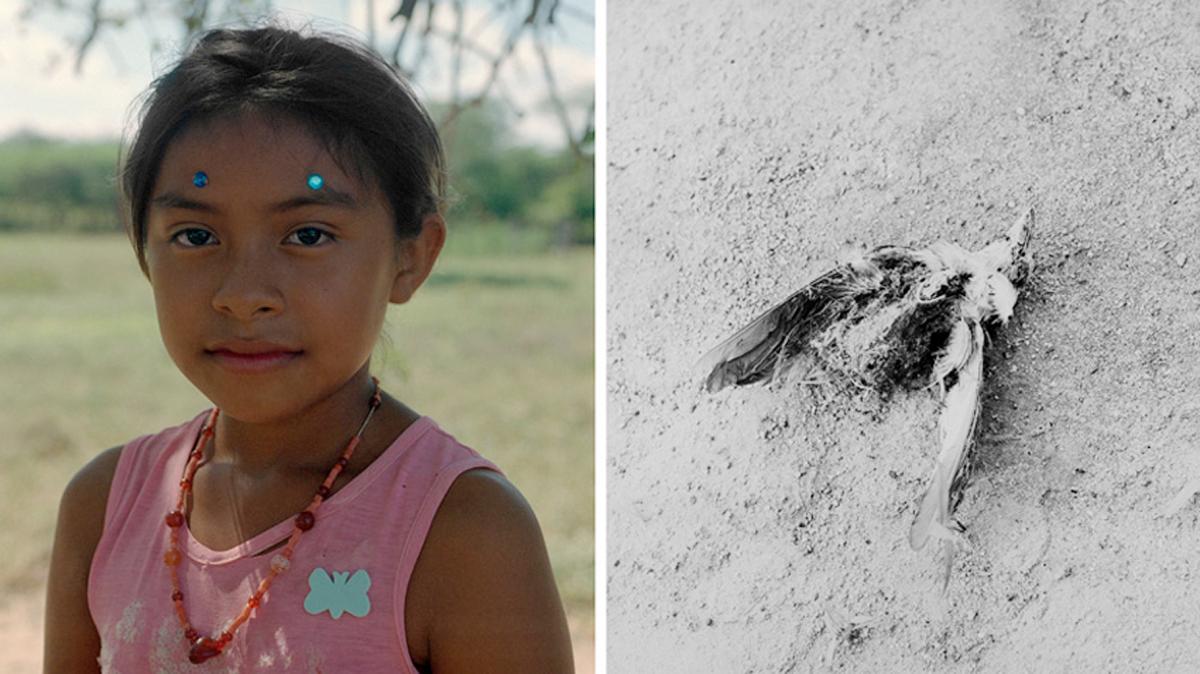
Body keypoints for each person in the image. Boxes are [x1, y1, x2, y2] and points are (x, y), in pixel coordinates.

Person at [43, 24, 574, 673]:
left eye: (310, 234)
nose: (243, 296)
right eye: (193, 236)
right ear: (143, 250)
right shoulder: (105, 507)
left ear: (412, 258)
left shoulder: (463, 533)